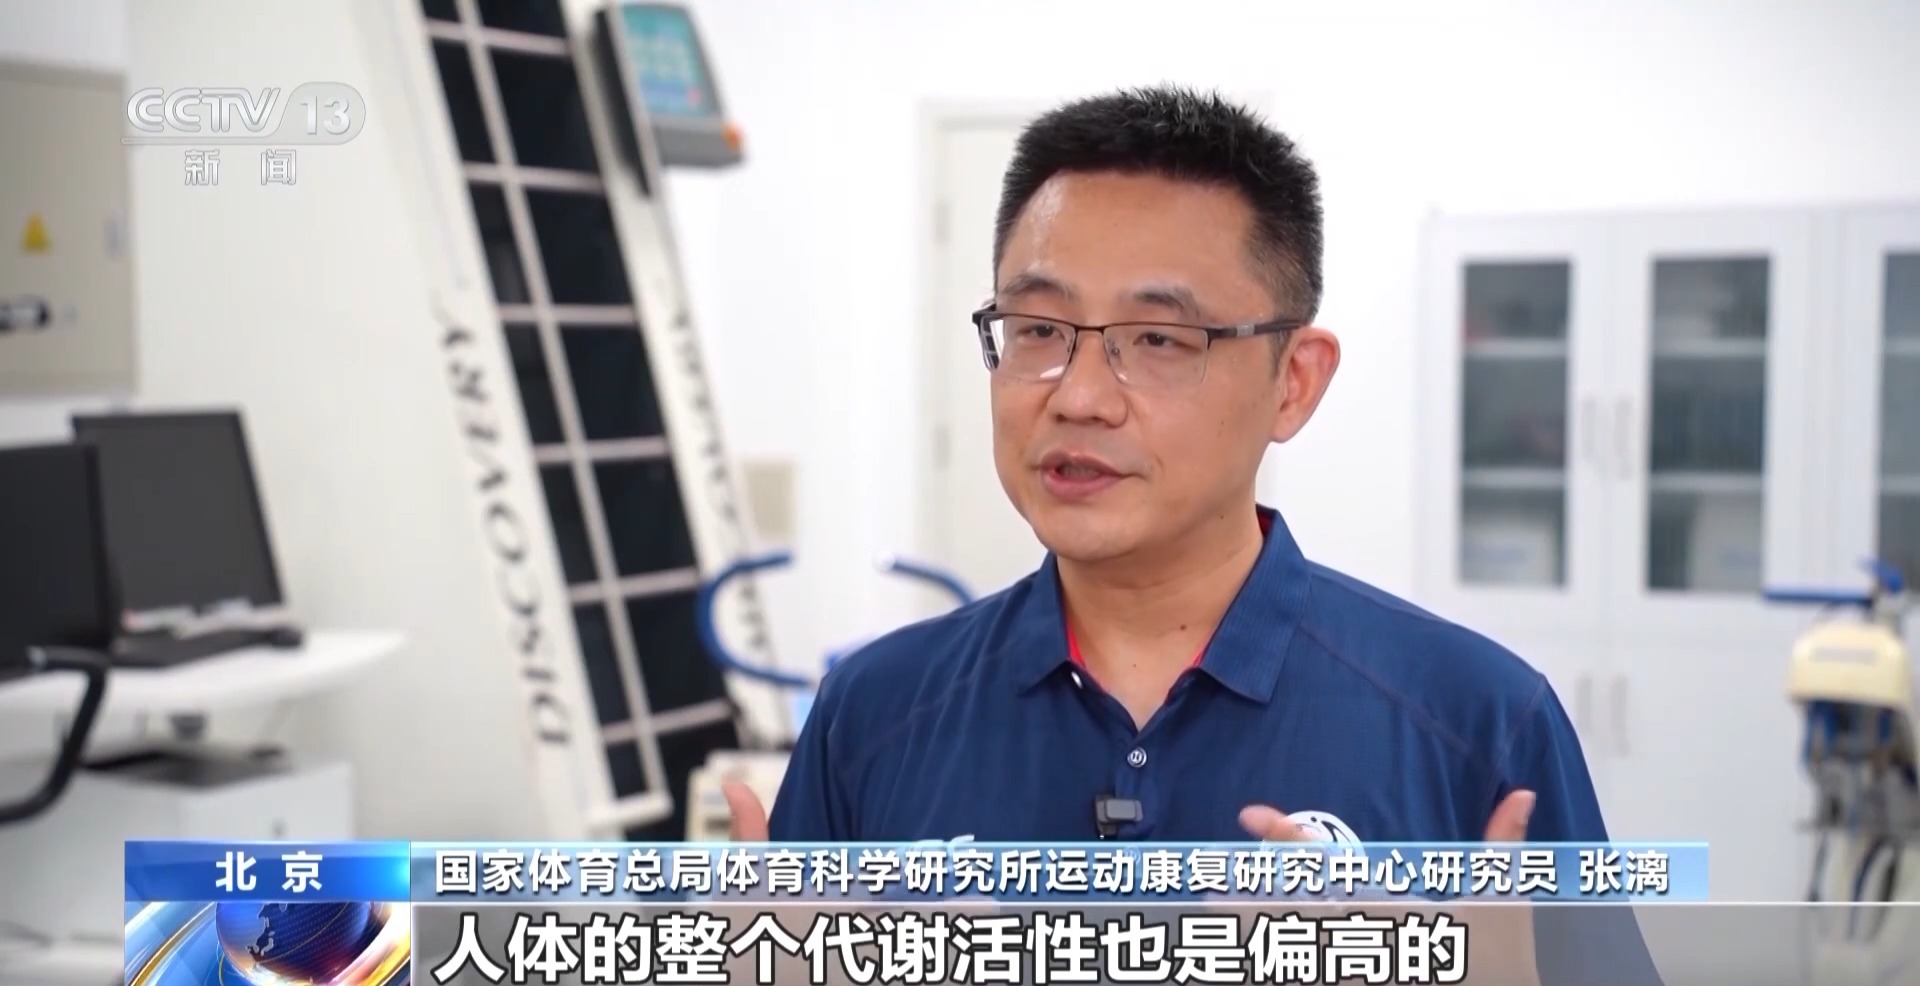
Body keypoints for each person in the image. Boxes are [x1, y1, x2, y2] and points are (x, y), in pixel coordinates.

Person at [725, 85, 1661, 985]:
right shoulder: (873, 715)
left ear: (1294, 382)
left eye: (1159, 340)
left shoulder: (1476, 724)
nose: (1078, 396)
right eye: (1038, 329)